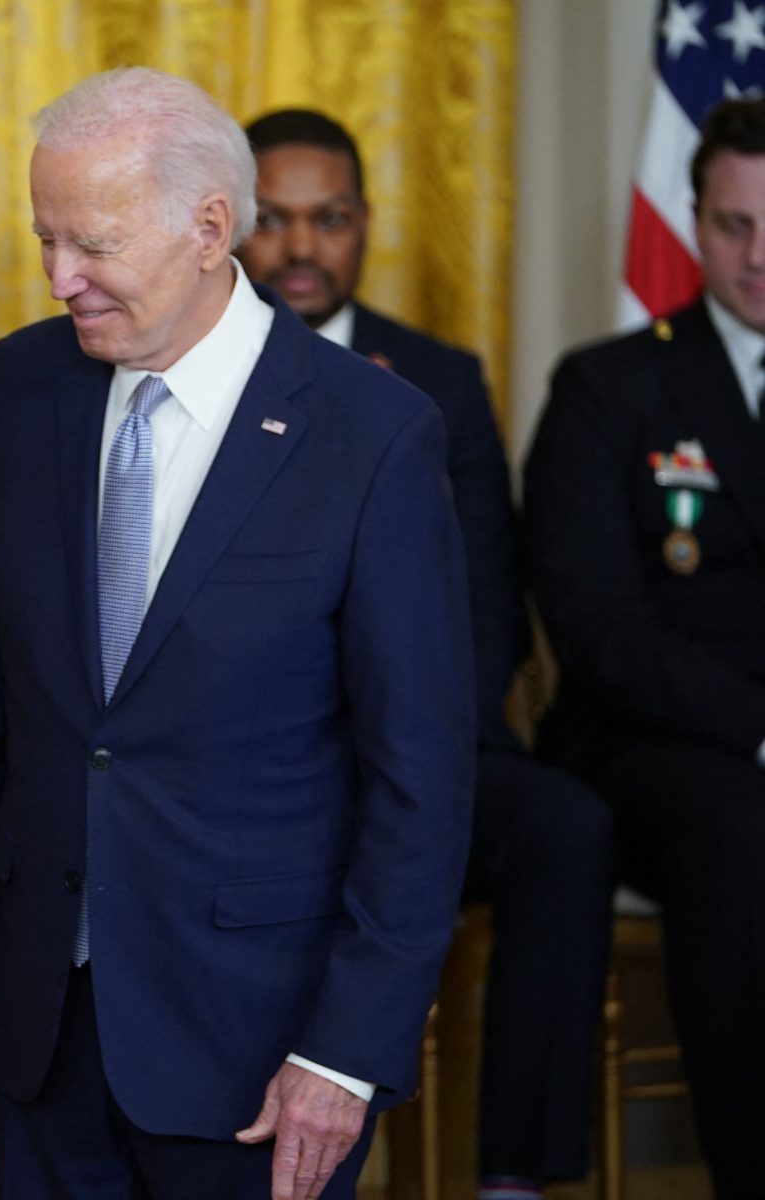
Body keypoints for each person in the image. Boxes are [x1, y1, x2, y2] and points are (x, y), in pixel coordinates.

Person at [0, 69, 476, 1200]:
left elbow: (422, 783)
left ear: (210, 229)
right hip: (46, 1034)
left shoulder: (373, 434)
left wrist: (346, 1050)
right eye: (47, 238)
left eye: (91, 244)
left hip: (262, 1052)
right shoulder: (23, 385)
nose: (60, 278)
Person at [237, 108, 616, 1200]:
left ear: (365, 226)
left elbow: (488, 602)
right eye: (274, 219)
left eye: (331, 219)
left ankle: (515, 1178)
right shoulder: (188, 369)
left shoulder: (439, 381)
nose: (301, 246)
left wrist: (404, 758)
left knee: (566, 829)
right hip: (263, 767)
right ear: (227, 226)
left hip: (421, 754)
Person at [524, 96, 765, 1200]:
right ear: (694, 220)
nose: (760, 256)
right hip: (656, 746)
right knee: (742, 825)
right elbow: (594, 624)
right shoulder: (610, 386)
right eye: (734, 225)